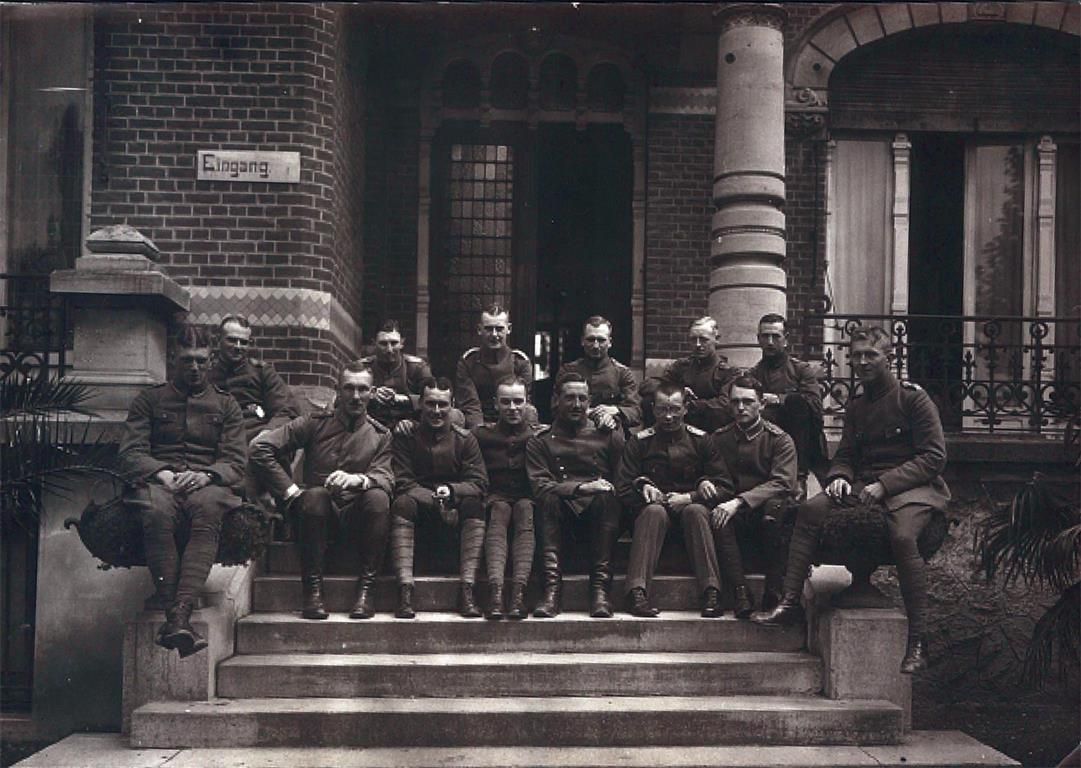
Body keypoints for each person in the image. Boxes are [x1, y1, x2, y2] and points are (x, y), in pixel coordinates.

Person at [755, 327, 950, 675]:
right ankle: (790, 602)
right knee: (811, 510)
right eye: (856, 355)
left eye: (870, 355)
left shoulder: (913, 399)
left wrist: (886, 485)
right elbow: (845, 453)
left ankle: (917, 642)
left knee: (903, 537)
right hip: (865, 485)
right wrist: (840, 477)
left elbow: (934, 458)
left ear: (889, 358)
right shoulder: (857, 405)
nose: (862, 362)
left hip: (914, 489)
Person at [118, 325, 246, 657]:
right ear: (174, 358)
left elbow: (235, 461)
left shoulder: (227, 405)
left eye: (201, 361)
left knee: (208, 512)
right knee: (156, 512)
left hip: (206, 486)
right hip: (161, 483)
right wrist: (162, 473)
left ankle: (178, 615)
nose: (194, 368)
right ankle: (178, 619)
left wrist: (206, 475)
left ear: (211, 360)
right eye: (187, 360)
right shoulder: (149, 400)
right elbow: (130, 453)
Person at [249, 363, 393, 620]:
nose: (356, 396)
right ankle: (312, 592)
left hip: (357, 519)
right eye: (349, 388)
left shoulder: (380, 435)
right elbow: (260, 448)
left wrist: (359, 480)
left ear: (372, 393)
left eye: (363, 389)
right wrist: (291, 492)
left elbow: (386, 478)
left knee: (379, 497)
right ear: (337, 389)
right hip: (315, 517)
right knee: (315, 496)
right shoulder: (314, 423)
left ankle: (366, 591)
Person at [617, 382, 731, 617]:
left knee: (696, 511)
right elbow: (622, 487)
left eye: (675, 409)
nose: (668, 416)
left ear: (686, 408)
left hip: (692, 519)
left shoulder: (702, 440)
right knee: (654, 512)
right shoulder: (639, 442)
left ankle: (711, 591)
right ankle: (636, 592)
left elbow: (725, 486)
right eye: (662, 409)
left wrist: (694, 494)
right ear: (653, 409)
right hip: (652, 520)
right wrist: (643, 487)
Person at [526, 373, 625, 618]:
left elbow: (623, 480)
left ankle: (600, 591)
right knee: (548, 499)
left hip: (599, 518)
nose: (577, 404)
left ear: (590, 401)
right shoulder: (541, 441)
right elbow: (540, 485)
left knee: (608, 497)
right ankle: (551, 591)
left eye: (582, 398)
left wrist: (600, 489)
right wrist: (581, 488)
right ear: (556, 400)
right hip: (560, 517)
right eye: (570, 398)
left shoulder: (609, 436)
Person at [389, 377, 489, 619]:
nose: (436, 411)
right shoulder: (406, 436)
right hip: (419, 507)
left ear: (452, 405)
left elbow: (479, 483)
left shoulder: (465, 439)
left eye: (443, 404)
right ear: (420, 404)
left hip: (454, 510)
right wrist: (436, 500)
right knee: (402, 504)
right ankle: (405, 591)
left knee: (474, 505)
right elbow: (403, 481)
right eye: (431, 403)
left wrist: (452, 491)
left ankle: (467, 590)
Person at [707, 375, 799, 615]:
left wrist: (740, 501)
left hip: (767, 510)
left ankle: (774, 589)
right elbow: (708, 470)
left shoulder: (779, 439)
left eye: (748, 402)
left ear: (762, 404)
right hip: (735, 512)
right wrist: (705, 482)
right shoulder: (719, 438)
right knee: (718, 517)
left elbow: (783, 482)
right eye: (735, 401)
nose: (740, 407)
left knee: (777, 509)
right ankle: (740, 592)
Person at [473, 377, 537, 619]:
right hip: (494, 498)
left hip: (527, 498)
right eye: (506, 402)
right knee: (500, 509)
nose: (512, 408)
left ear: (527, 403)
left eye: (518, 401)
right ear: (495, 404)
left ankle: (519, 594)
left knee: (524, 508)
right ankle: (496, 594)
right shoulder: (481, 435)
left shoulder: (538, 436)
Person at [749, 313, 825, 487]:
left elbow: (815, 404)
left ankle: (799, 479)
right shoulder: (753, 374)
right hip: (765, 439)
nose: (770, 342)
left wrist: (780, 399)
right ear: (758, 339)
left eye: (775, 336)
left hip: (799, 438)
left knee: (797, 404)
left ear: (786, 339)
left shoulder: (801, 370)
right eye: (765, 336)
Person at [208, 314, 300, 444]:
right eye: (232, 340)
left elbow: (287, 411)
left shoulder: (262, 372)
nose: (238, 346)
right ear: (218, 340)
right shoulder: (206, 374)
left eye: (244, 342)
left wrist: (266, 434)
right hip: (215, 438)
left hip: (253, 437)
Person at [645, 316, 737, 432]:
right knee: (649, 400)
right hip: (678, 428)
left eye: (703, 339)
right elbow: (647, 385)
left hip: (710, 430)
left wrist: (689, 404)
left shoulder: (729, 372)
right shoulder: (682, 366)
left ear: (716, 339)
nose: (698, 344)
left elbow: (725, 406)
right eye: (693, 339)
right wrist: (678, 391)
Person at [556, 315, 641, 433]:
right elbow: (555, 407)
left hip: (610, 433)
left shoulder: (622, 373)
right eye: (590, 340)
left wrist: (615, 410)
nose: (596, 346)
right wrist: (587, 412)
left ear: (610, 342)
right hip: (573, 434)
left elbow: (636, 413)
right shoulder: (568, 371)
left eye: (601, 340)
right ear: (582, 341)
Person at [456, 304, 533, 428]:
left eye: (499, 329)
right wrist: (481, 431)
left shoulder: (520, 362)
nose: (494, 334)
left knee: (530, 412)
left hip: (511, 419)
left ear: (509, 329)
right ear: (479, 329)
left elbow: (521, 402)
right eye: (488, 329)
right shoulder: (468, 362)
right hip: (477, 422)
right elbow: (469, 404)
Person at [359, 320, 433, 429]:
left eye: (394, 343)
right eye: (383, 344)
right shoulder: (362, 368)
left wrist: (401, 399)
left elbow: (432, 398)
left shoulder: (417, 367)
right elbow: (343, 399)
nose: (389, 349)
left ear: (402, 342)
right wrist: (371, 395)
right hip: (370, 428)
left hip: (409, 428)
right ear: (374, 343)